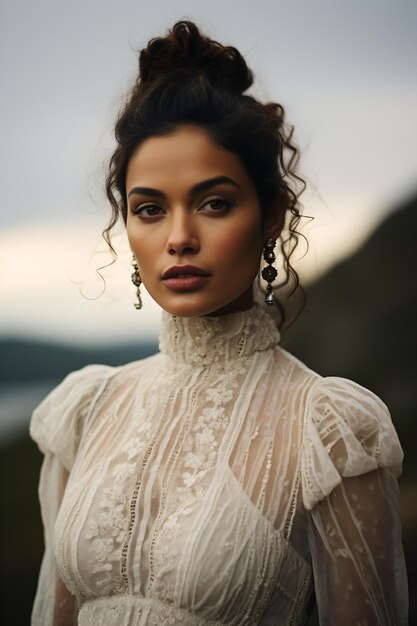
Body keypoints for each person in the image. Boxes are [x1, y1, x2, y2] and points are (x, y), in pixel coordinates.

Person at [30, 20, 408, 626]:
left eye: (214, 203)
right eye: (149, 209)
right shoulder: (86, 411)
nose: (179, 238)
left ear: (270, 218)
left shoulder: (330, 432)